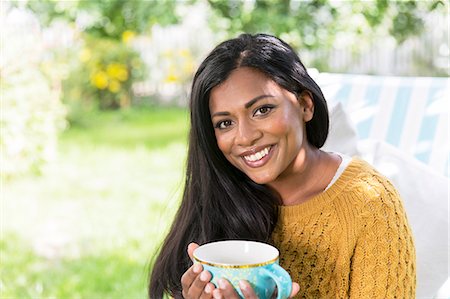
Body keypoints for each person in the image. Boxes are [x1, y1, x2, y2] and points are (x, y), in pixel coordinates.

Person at [148, 33, 416, 299]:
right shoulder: (220, 195)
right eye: (225, 123)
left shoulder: (369, 202)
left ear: (305, 105)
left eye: (262, 110)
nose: (245, 137)